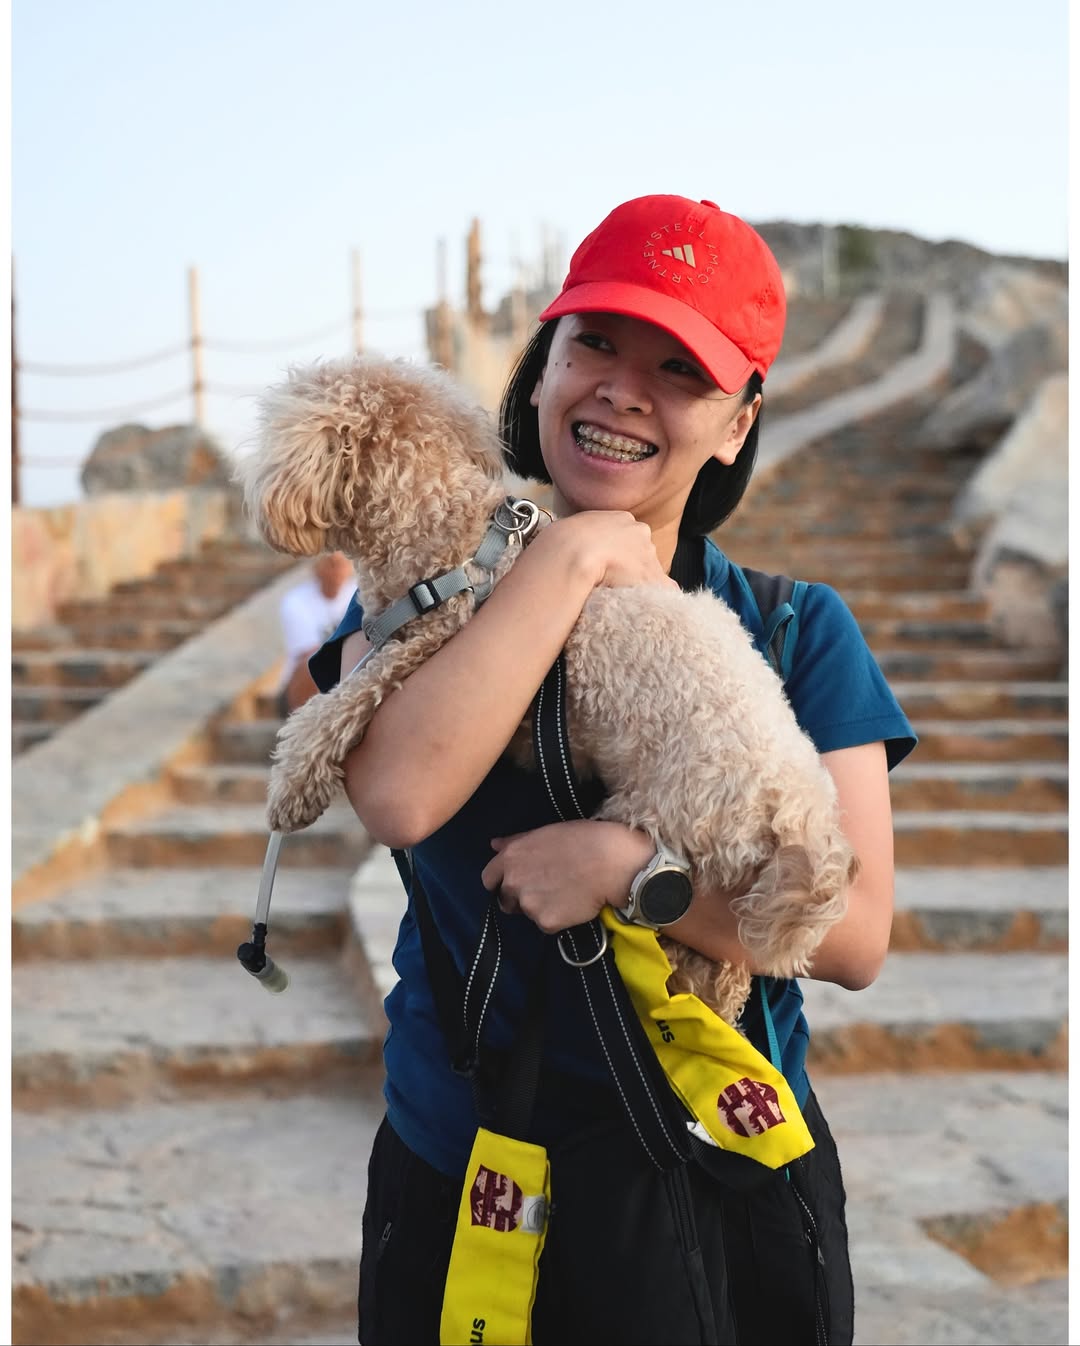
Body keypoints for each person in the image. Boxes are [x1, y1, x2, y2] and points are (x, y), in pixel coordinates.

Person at [309, 195, 916, 1345]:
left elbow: (855, 934)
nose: (623, 390)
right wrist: (573, 556)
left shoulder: (796, 629)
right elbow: (398, 794)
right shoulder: (421, 594)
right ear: (542, 367)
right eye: (594, 342)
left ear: (737, 423)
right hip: (465, 1162)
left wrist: (633, 870)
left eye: (680, 369)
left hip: (714, 1171)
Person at [276, 550, 355, 715]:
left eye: (343, 563)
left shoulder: (359, 595)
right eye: (331, 563)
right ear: (317, 566)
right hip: (303, 682)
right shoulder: (295, 601)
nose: (337, 569)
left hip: (348, 673)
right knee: (314, 663)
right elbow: (308, 653)